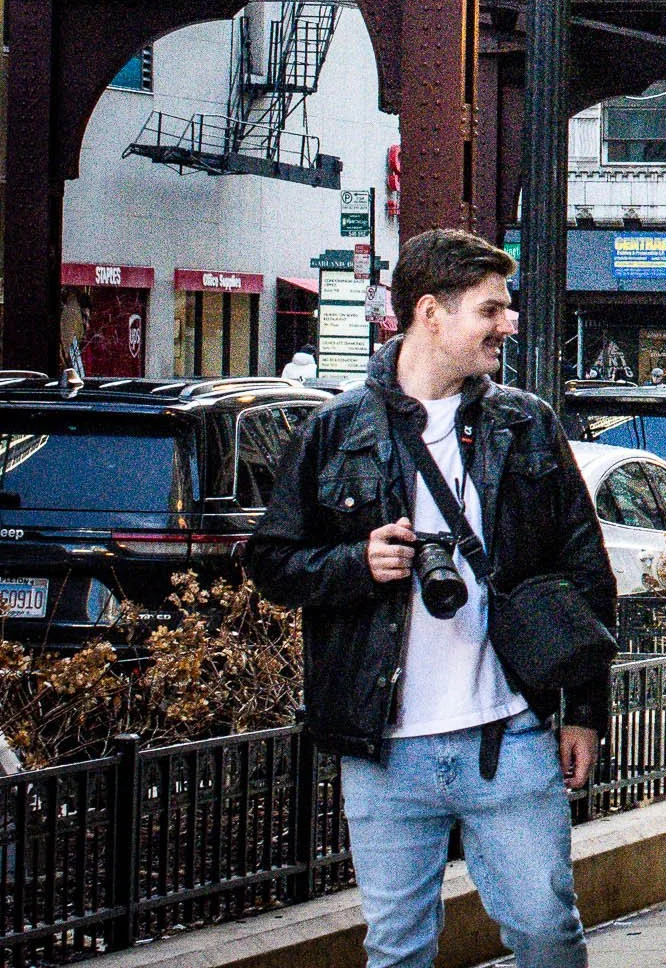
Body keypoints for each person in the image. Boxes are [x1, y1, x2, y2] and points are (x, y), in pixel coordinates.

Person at [247, 228, 617, 968]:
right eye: (490, 310)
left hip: (506, 736)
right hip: (384, 748)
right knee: (397, 950)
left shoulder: (526, 424)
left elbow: (585, 573)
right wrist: (357, 562)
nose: (506, 325)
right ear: (430, 313)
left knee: (547, 935)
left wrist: (583, 711)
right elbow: (270, 561)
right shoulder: (335, 428)